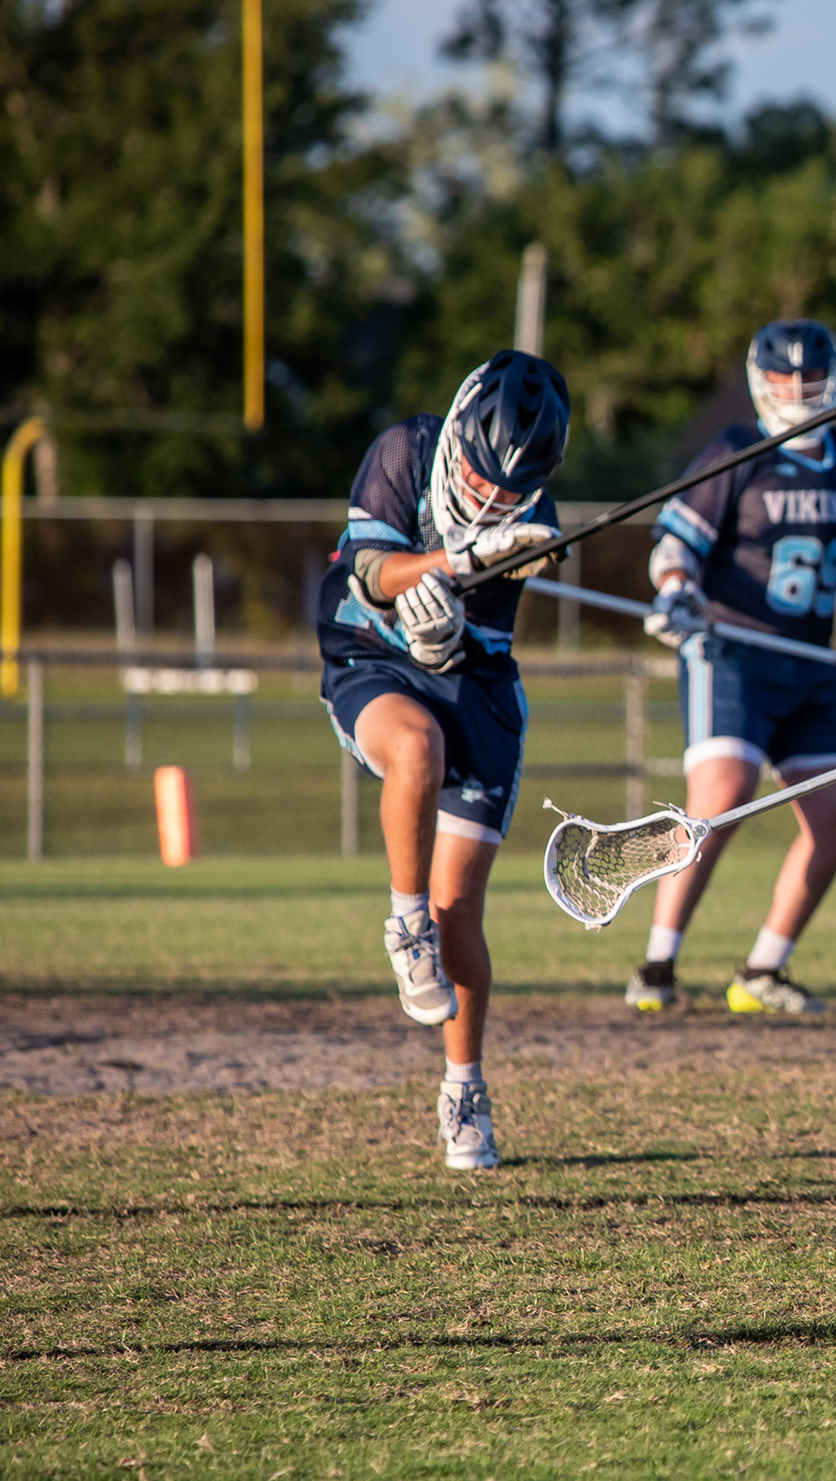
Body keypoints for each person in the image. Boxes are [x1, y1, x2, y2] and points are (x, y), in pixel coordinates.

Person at [626, 319, 836, 1015]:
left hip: (809, 664)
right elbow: (675, 542)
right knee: (722, 794)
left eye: (809, 375)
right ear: (759, 380)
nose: (797, 389)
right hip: (731, 652)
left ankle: (762, 968)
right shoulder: (737, 450)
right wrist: (676, 588)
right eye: (783, 377)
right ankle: (657, 962)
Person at [318, 350, 569, 1170]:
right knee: (414, 746)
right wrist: (451, 567)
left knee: (460, 912)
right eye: (480, 474)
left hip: (475, 686)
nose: (489, 498)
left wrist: (453, 626)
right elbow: (371, 572)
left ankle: (465, 1086)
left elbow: (478, 635)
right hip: (372, 656)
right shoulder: (405, 450)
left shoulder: (532, 522)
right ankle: (404, 922)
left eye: (509, 488)